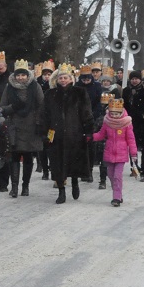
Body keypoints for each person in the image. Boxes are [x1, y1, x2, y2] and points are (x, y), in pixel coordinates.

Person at [40, 63, 94, 204]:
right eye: (60, 78)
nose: (63, 80)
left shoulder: (80, 92)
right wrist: (43, 132)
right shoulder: (50, 94)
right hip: (56, 135)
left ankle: (75, 182)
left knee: (74, 161)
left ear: (71, 79)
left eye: (65, 77)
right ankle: (61, 191)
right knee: (57, 164)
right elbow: (44, 115)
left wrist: (88, 131)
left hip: (74, 134)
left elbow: (86, 113)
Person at [0, 59, 44, 197]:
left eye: (23, 75)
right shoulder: (9, 87)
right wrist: (13, 108)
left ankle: (25, 186)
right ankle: (14, 187)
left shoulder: (34, 86)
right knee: (14, 157)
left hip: (31, 126)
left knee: (28, 157)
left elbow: (41, 105)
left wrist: (38, 121)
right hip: (14, 126)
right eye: (18, 75)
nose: (20, 78)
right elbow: (2, 107)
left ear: (27, 75)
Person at [91, 98, 138, 206]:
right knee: (111, 175)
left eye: (117, 114)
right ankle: (118, 193)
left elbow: (131, 139)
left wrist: (133, 153)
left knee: (117, 176)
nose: (115, 116)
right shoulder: (107, 122)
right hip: (109, 152)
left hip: (121, 154)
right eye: (112, 113)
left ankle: (116, 197)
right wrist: (90, 137)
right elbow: (101, 134)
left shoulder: (126, 123)